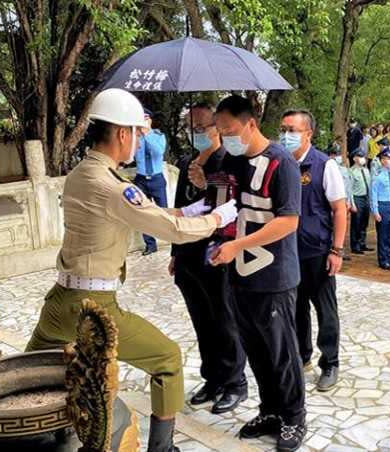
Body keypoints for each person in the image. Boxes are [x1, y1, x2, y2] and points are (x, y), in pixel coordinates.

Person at [26, 88, 238, 452]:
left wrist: (186, 211)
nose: (140, 141)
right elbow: (166, 230)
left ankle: (31, 435)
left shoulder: (83, 173)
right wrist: (217, 218)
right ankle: (162, 448)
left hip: (59, 301)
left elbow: (147, 214)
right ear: (122, 133)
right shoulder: (111, 185)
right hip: (93, 308)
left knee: (27, 375)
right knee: (168, 358)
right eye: (138, 134)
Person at [188, 95, 306, 451]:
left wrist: (238, 246)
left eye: (230, 130)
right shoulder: (235, 161)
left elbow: (288, 221)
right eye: (220, 131)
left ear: (251, 123)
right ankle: (270, 410)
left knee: (281, 351)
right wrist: (200, 181)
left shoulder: (280, 162)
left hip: (274, 276)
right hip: (240, 276)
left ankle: (294, 415)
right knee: (255, 349)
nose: (225, 137)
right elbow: (228, 203)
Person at [170, 103, 248, 415]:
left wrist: (207, 182)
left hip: (217, 251)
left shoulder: (229, 161)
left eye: (204, 127)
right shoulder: (188, 161)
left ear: (217, 128)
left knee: (224, 319)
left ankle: (234, 382)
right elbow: (177, 209)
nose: (198, 133)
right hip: (189, 255)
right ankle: (212, 378)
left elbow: (228, 206)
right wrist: (175, 252)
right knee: (201, 319)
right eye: (193, 128)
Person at [280, 109, 346, 392]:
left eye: (292, 130)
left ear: (308, 134)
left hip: (319, 252)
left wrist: (337, 250)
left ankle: (330, 363)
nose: (285, 136)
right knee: (296, 308)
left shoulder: (323, 165)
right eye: (283, 130)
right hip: (289, 251)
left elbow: (339, 209)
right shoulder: (280, 163)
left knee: (325, 310)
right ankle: (302, 356)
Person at [134, 108, 169, 255]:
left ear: (150, 121)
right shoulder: (135, 138)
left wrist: (147, 134)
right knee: (143, 213)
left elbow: (158, 152)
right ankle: (150, 244)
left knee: (163, 211)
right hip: (141, 180)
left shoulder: (158, 136)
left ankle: (169, 237)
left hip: (156, 178)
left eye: (145, 119)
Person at [349, 149, 373, 255]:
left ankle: (362, 243)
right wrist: (352, 204)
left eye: (363, 156)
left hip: (366, 198)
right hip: (357, 198)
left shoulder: (366, 170)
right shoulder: (352, 172)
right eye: (360, 156)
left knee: (364, 222)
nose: (363, 158)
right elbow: (349, 189)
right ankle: (355, 245)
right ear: (354, 158)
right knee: (356, 223)